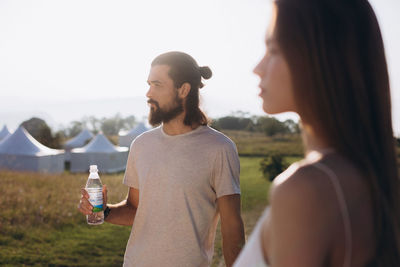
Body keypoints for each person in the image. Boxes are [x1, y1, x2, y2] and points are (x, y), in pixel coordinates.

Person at [234, 0, 400, 266]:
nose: (258, 67)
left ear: (319, 56)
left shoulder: (305, 189)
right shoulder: (366, 176)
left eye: (273, 49)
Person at [78, 51, 245, 267]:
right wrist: (102, 210)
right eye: (148, 84)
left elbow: (233, 230)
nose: (148, 93)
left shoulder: (220, 148)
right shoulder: (141, 145)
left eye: (157, 85)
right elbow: (134, 209)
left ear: (183, 90)